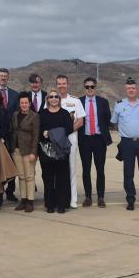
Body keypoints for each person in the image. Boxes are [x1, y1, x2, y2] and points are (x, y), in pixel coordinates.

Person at [112, 79, 139, 211]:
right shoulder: (119, 105)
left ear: (137, 90)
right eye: (129, 88)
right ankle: (130, 200)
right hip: (127, 143)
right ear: (126, 90)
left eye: (133, 88)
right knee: (128, 173)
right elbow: (114, 123)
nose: (131, 90)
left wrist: (138, 132)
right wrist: (126, 133)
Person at [38, 89, 74, 214]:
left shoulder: (64, 113)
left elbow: (69, 129)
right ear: (47, 99)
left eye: (56, 97)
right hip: (46, 149)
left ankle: (62, 204)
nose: (54, 99)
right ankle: (50, 204)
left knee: (62, 178)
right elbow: (38, 130)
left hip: (61, 149)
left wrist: (51, 133)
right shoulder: (42, 113)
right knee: (48, 178)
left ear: (59, 99)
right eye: (51, 97)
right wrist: (44, 133)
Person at [78, 77, 111, 207]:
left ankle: (101, 197)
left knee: (100, 169)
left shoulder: (103, 102)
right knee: (86, 170)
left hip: (99, 139)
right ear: (84, 88)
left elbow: (107, 119)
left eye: (92, 86)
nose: (89, 89)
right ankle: (88, 197)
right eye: (87, 87)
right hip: (85, 139)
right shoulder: (79, 102)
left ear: (95, 87)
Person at [56, 75, 86, 209]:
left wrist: (67, 131)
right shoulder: (52, 99)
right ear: (56, 85)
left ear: (68, 85)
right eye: (59, 83)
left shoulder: (75, 101)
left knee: (71, 168)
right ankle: (59, 197)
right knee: (58, 169)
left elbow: (80, 121)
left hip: (71, 137)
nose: (61, 86)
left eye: (64, 83)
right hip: (56, 139)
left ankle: (73, 199)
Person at [9, 92, 39, 212]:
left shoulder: (35, 116)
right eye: (22, 103)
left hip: (28, 150)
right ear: (19, 104)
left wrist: (33, 152)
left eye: (26, 102)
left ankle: (30, 201)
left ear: (30, 103)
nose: (24, 105)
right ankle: (23, 200)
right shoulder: (15, 114)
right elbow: (13, 131)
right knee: (21, 176)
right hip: (16, 150)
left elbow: (36, 136)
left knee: (29, 176)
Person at [0, 68, 19, 202]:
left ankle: (10, 191)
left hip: (11, 135)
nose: (3, 78)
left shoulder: (15, 94)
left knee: (11, 162)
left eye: (5, 76)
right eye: (1, 76)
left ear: (8, 78)